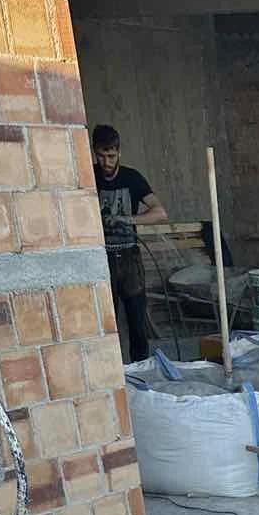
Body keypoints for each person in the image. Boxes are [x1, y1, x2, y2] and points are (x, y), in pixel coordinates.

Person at [92, 125, 168, 363]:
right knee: (106, 324)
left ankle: (141, 370)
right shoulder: (87, 176)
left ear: (119, 152)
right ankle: (112, 374)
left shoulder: (131, 178)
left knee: (136, 321)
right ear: (94, 152)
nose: (106, 162)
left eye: (111, 156)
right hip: (100, 260)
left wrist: (127, 219)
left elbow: (160, 213)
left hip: (129, 259)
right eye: (101, 156)